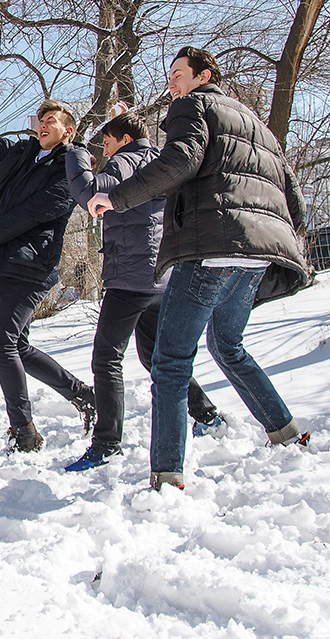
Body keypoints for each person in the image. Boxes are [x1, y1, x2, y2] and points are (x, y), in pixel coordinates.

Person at [88, 46, 311, 491]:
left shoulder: (193, 104)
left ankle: (167, 475)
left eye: (179, 74)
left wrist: (116, 197)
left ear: (204, 75)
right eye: (169, 75)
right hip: (257, 251)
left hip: (212, 247)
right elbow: (293, 193)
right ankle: (284, 432)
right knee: (228, 346)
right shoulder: (253, 121)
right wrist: (282, 233)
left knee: (169, 361)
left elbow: (181, 160)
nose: (172, 83)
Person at [63, 110, 221, 472]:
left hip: (130, 276)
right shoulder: (162, 160)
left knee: (106, 359)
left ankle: (106, 444)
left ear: (124, 139)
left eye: (106, 143)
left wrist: (75, 153)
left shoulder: (125, 162)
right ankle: (207, 415)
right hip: (161, 276)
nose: (103, 151)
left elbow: (89, 196)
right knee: (156, 358)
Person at [0, 66, 95, 452]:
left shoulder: (72, 164)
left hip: (34, 263)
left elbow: (37, 211)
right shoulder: (23, 153)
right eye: (43, 119)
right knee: (14, 344)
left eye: (54, 121)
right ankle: (85, 397)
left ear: (68, 130)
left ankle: (24, 430)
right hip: (8, 260)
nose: (45, 125)